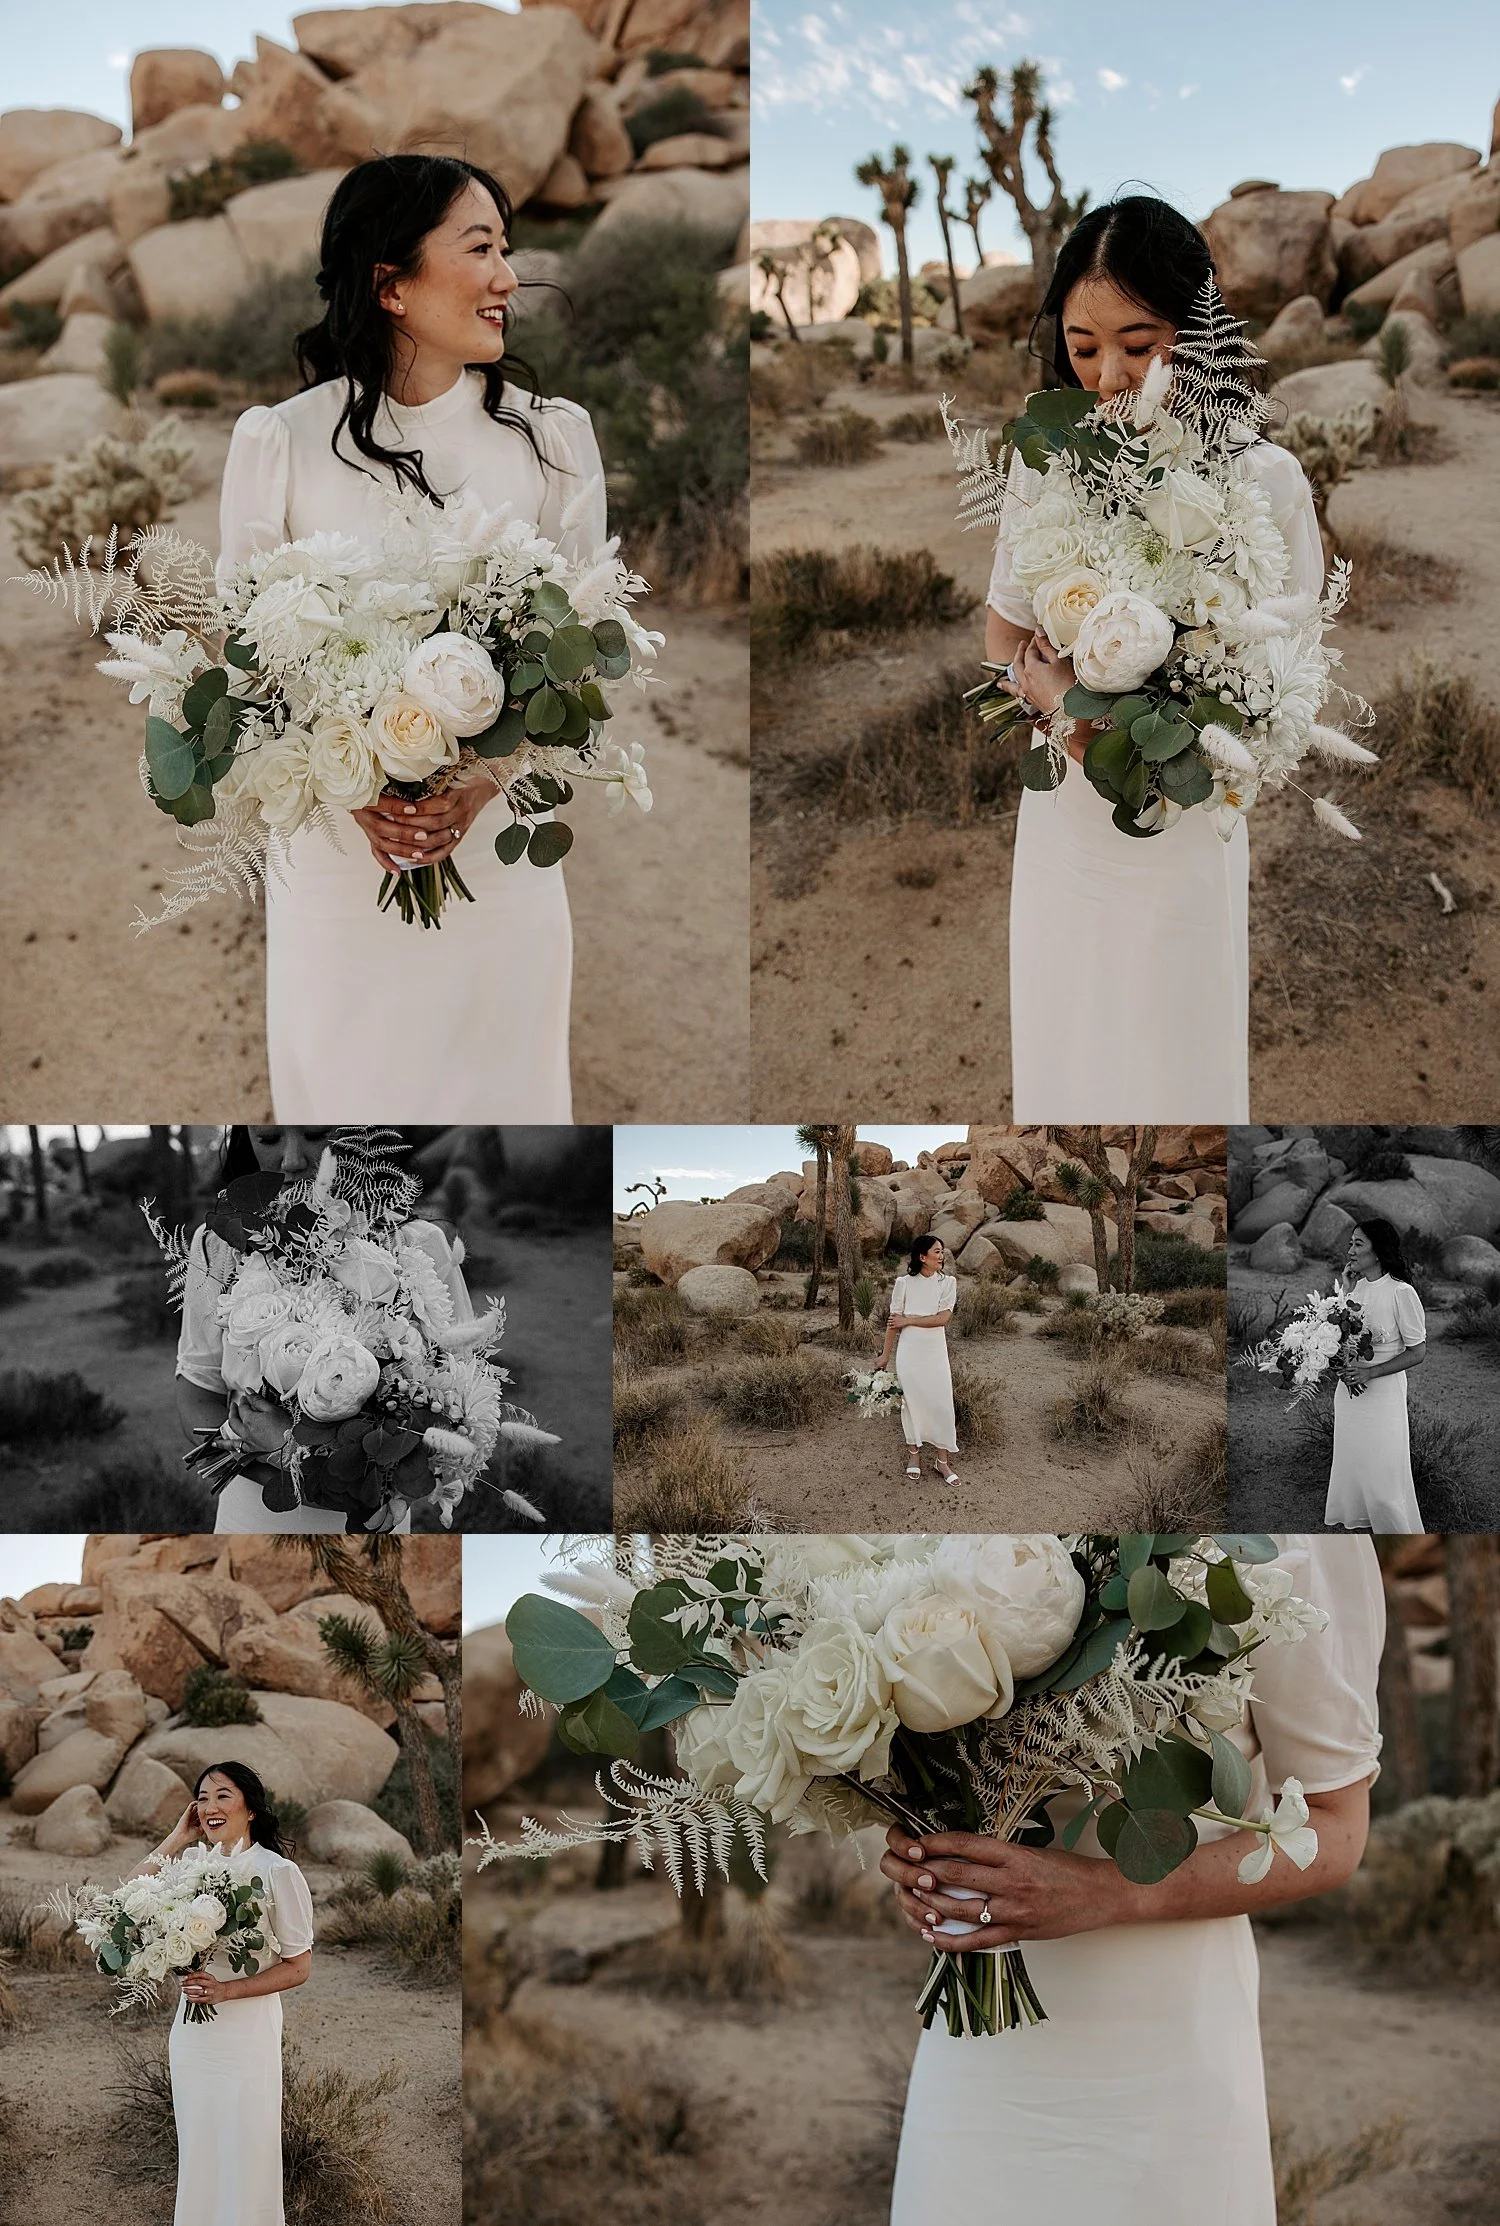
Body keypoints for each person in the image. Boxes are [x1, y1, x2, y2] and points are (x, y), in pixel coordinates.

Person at [218, 153, 607, 1121]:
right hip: (337, 874)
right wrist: (353, 788)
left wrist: (481, 782)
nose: (508, 278)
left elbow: (588, 649)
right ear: (391, 284)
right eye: (480, 249)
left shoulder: (553, 440)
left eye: (507, 251)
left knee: (503, 1090)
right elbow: (245, 666)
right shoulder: (280, 442)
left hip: (497, 864)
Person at [881, 1536, 1383, 2224]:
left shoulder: (1287, 1540)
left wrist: (1107, 1890)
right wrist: (925, 1844)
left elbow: (1338, 1831)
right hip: (981, 2036)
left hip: (1168, 2039)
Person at [985, 195, 1323, 1122]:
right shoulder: (1045, 457)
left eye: (1138, 343)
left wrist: (1153, 719)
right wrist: (1064, 710)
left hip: (1185, 823)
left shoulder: (1266, 480)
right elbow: (1004, 638)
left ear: (1195, 329)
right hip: (1064, 823)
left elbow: (1288, 678)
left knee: (1179, 1046)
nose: (1108, 374)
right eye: (1083, 347)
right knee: (1071, 1039)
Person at [174, 1123, 474, 1531]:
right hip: (251, 1515)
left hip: (374, 1519)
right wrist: (263, 1463)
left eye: (315, 1134)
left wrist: (295, 1449)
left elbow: (459, 1417)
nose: (292, 1160)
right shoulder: (219, 1247)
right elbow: (198, 1392)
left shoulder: (420, 1246)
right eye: (268, 1138)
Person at [124, 1762, 314, 2226]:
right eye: (202, 1797)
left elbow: (299, 1966)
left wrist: (228, 1990)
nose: (210, 1806)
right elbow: (128, 1900)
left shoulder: (277, 1871)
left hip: (247, 2033)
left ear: (250, 1808)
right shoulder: (190, 1864)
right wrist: (177, 1839)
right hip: (192, 2036)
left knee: (248, 2147)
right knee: (201, 2148)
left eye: (223, 1795)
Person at [1325, 1218, 1426, 1531]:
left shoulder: (1401, 1292)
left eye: (1358, 1244)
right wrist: (1347, 1291)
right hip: (1349, 1394)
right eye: (1351, 1243)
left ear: (1378, 1252)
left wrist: (1373, 1372)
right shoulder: (1357, 1289)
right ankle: (1362, 1519)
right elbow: (1344, 1338)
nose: (1350, 1250)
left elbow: (1418, 1351)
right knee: (1354, 1462)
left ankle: (1395, 1528)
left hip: (1382, 1394)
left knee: (1383, 1470)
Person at [877, 1235, 959, 1484]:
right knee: (911, 1403)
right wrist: (884, 1355)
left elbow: (942, 1319)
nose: (941, 1256)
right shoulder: (904, 1283)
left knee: (942, 1403)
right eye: (937, 1252)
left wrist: (909, 1319)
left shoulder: (948, 1283)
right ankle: (914, 1455)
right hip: (909, 1352)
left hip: (934, 1352)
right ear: (922, 1257)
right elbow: (893, 1324)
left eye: (942, 1251)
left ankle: (942, 1461)